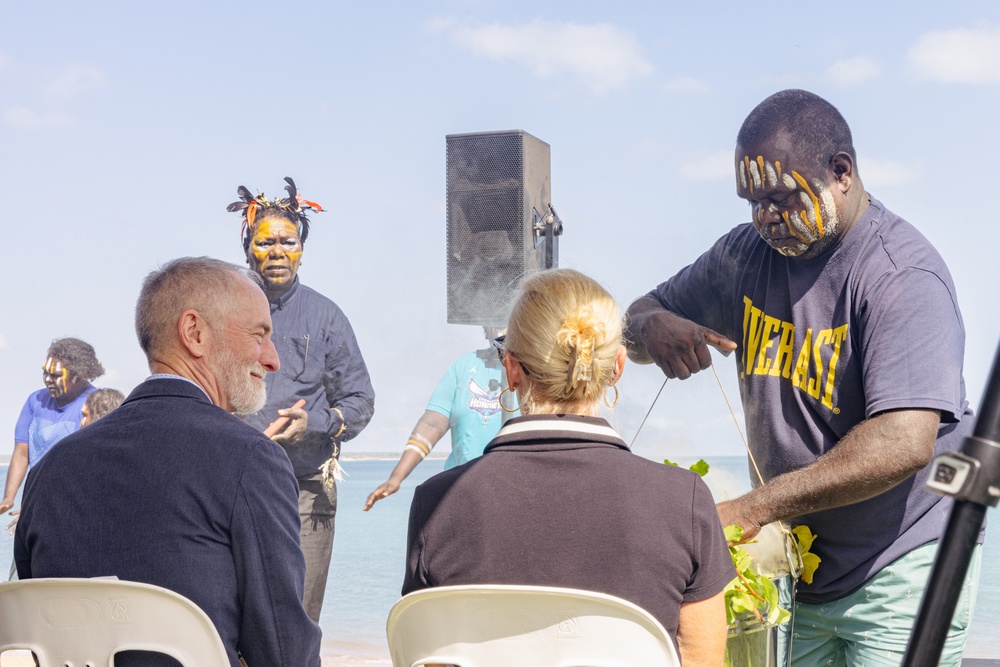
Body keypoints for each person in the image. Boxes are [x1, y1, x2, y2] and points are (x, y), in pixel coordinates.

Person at [624, 89, 978, 666]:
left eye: (781, 197)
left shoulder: (901, 275)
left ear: (842, 172)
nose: (765, 217)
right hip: (807, 574)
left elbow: (904, 442)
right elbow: (635, 319)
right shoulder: (743, 257)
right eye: (752, 202)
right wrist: (651, 324)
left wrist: (752, 509)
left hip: (906, 560)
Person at [403, 268, 734, 666]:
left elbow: (429, 655)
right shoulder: (686, 501)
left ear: (510, 369)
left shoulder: (436, 505)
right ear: (618, 366)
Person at [14, 257, 322, 667]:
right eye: (259, 335)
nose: (272, 359)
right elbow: (284, 653)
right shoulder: (250, 459)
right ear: (194, 333)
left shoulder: (47, 472)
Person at [227, 177, 376, 622]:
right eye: (265, 242)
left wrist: (313, 421)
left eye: (287, 242)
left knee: (298, 617)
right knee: (235, 613)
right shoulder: (225, 312)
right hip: (234, 486)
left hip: (307, 490)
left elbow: (361, 400)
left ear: (302, 249)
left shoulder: (326, 316)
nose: (276, 252)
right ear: (247, 247)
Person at [363, 326, 508, 511]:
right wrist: (396, 478)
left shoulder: (534, 367)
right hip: (463, 487)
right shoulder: (465, 366)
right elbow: (432, 425)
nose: (501, 328)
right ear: (485, 330)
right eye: (494, 323)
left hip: (513, 487)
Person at [2, 338, 104, 520]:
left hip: (74, 505)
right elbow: (21, 453)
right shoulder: (35, 401)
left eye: (55, 376)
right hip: (35, 500)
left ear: (78, 375)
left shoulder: (94, 404)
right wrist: (8, 498)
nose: (48, 380)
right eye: (45, 374)